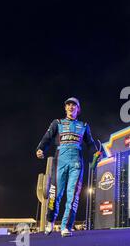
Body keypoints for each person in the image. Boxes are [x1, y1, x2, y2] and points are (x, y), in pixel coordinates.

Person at [36, 97, 100, 237]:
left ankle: (66, 226)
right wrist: (40, 149)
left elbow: (90, 143)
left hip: (76, 161)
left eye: (74, 105)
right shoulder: (57, 123)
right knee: (55, 194)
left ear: (78, 109)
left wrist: (96, 153)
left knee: (73, 195)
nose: (71, 107)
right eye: (68, 105)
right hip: (60, 160)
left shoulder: (84, 125)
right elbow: (47, 137)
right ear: (65, 108)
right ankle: (50, 221)